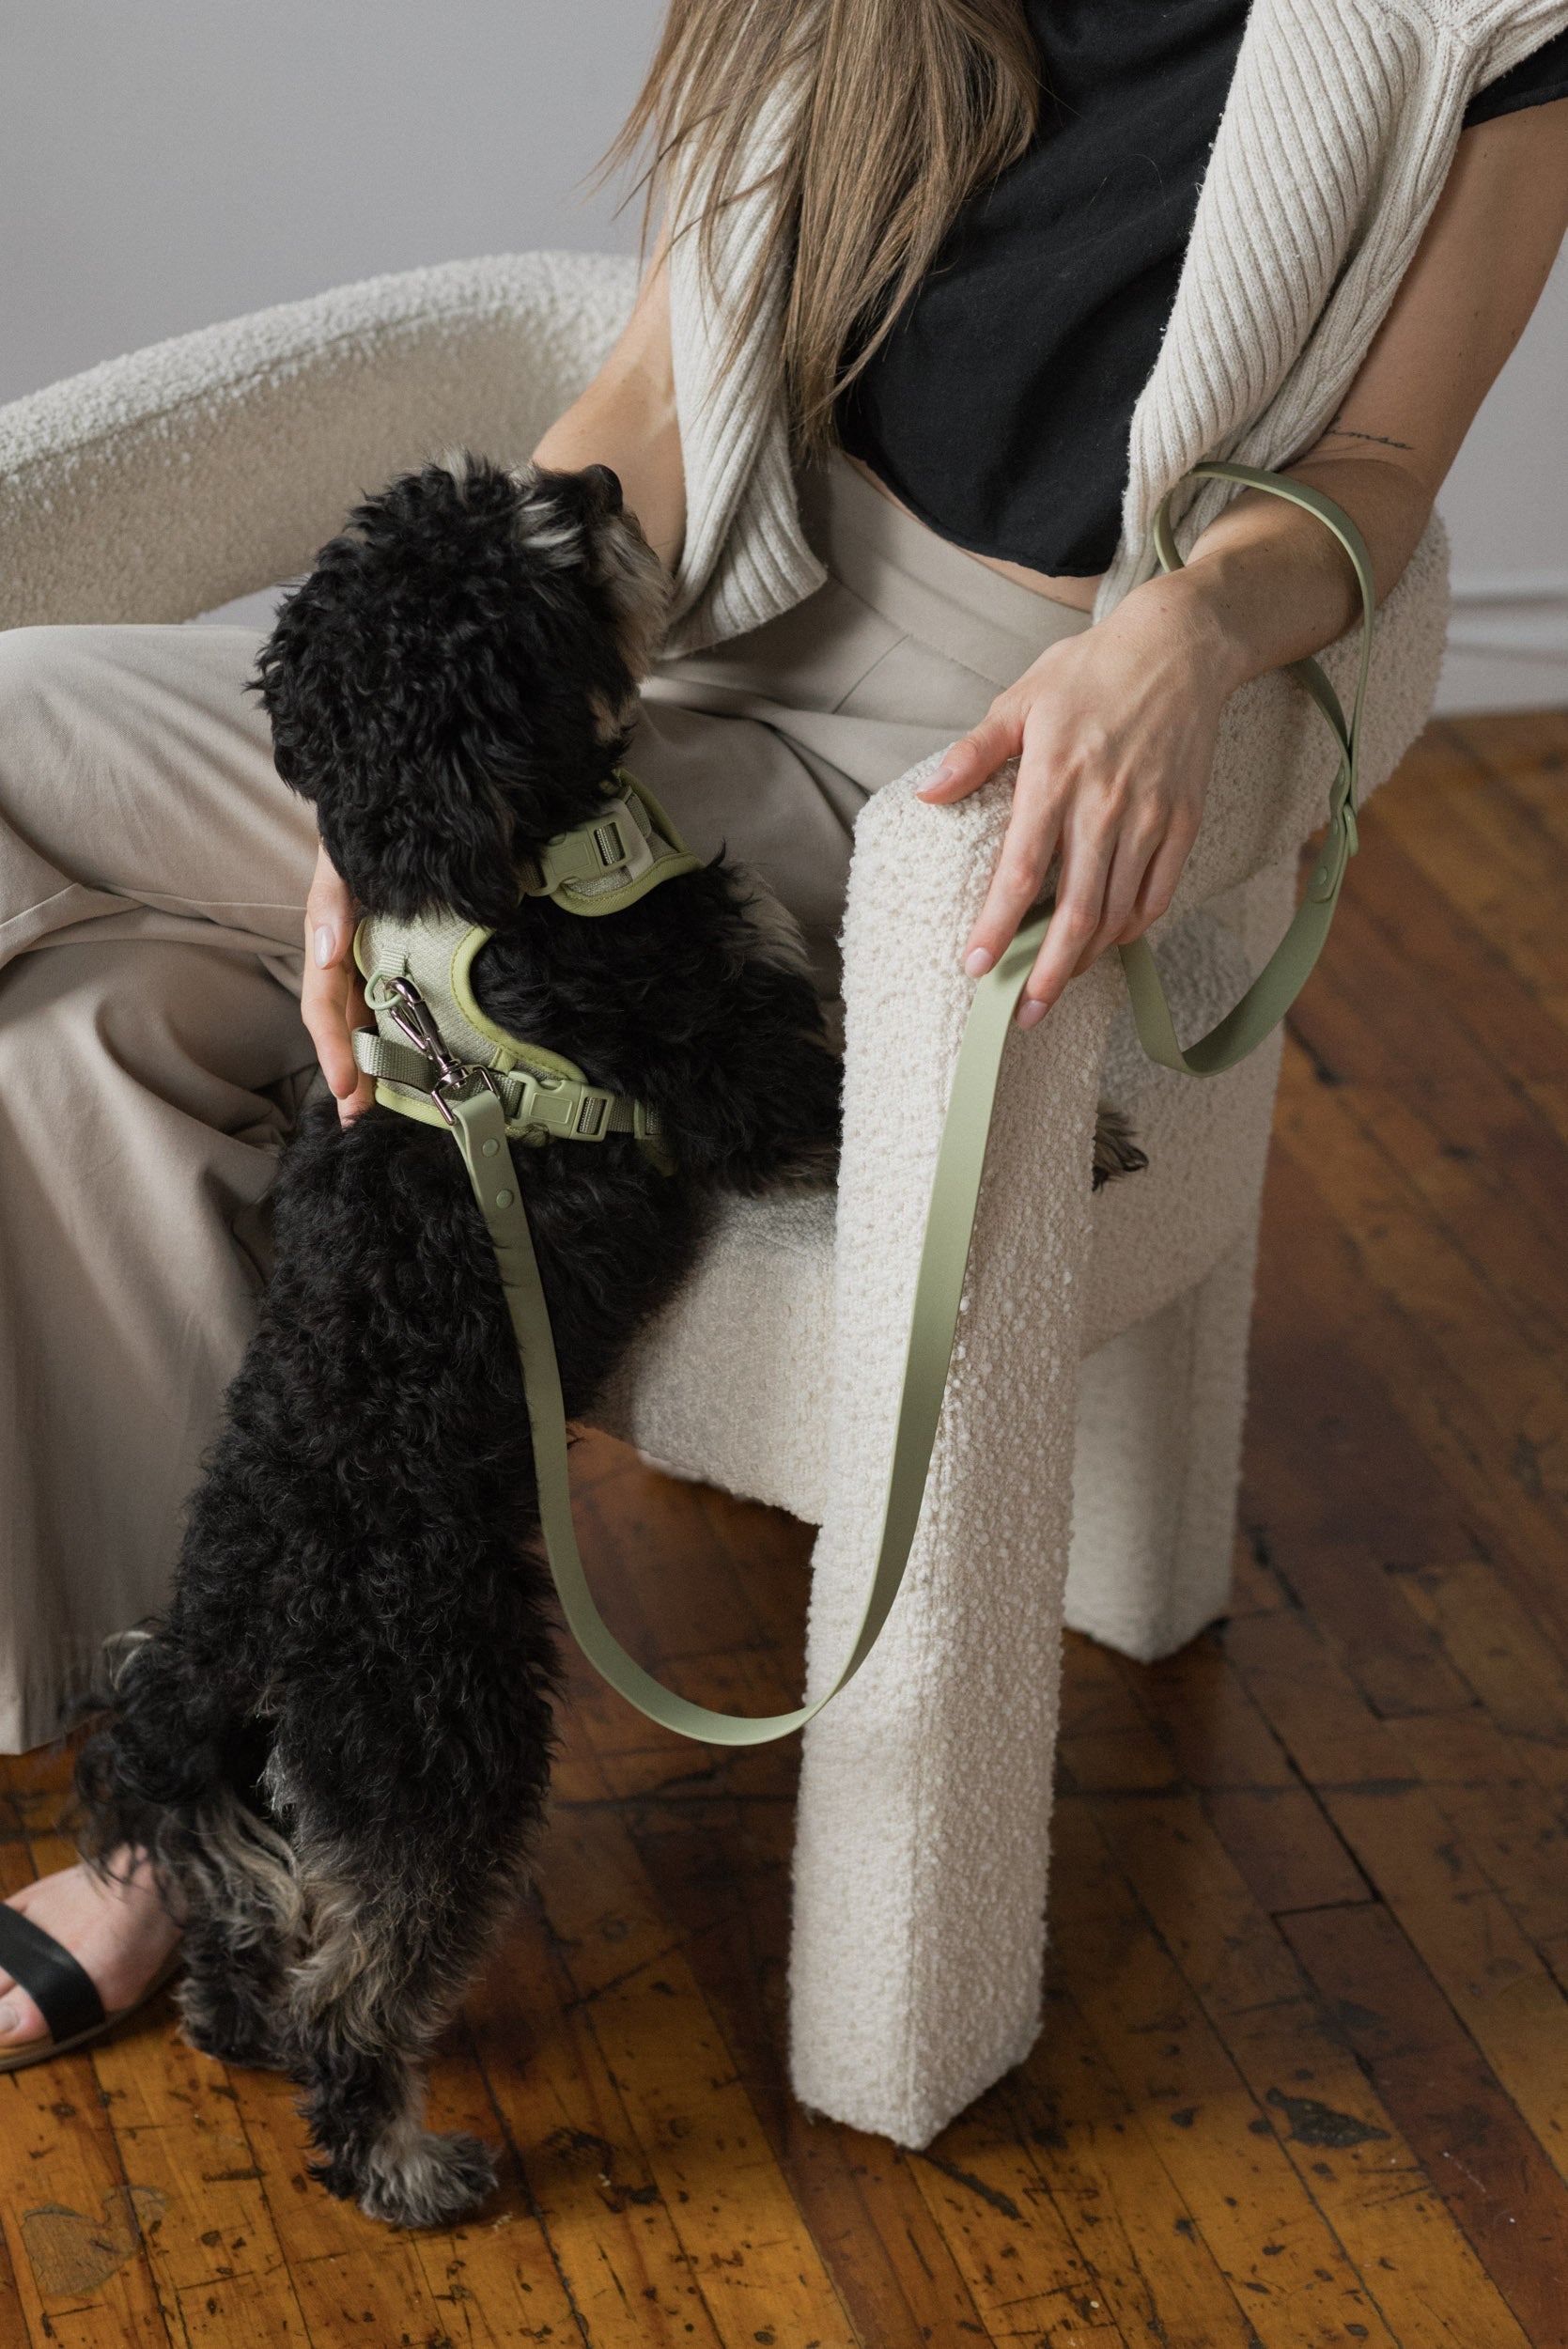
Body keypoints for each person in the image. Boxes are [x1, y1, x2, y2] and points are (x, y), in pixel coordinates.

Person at [2, 0, 1566, 2068]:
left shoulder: (1477, 26)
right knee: (80, 976)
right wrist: (415, 794)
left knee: (91, 985)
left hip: (944, 750)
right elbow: (656, 385)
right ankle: (193, 1735)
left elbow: (1375, 468)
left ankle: (187, 1827)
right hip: (654, 649)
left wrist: (1186, 624)